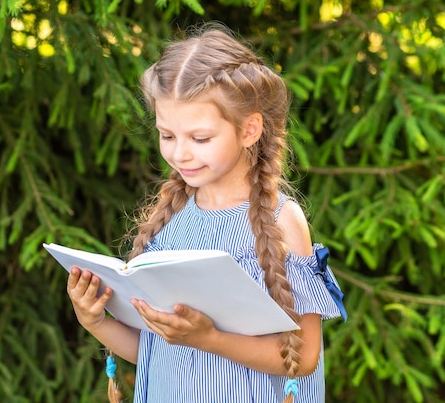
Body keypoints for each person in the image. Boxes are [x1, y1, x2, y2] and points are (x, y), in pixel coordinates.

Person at [66, 24, 347, 403]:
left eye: (200, 139)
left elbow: (303, 357)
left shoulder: (281, 220)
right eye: (167, 135)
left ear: (249, 130)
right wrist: (95, 320)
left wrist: (208, 338)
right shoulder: (171, 222)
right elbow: (158, 353)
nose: (180, 154)